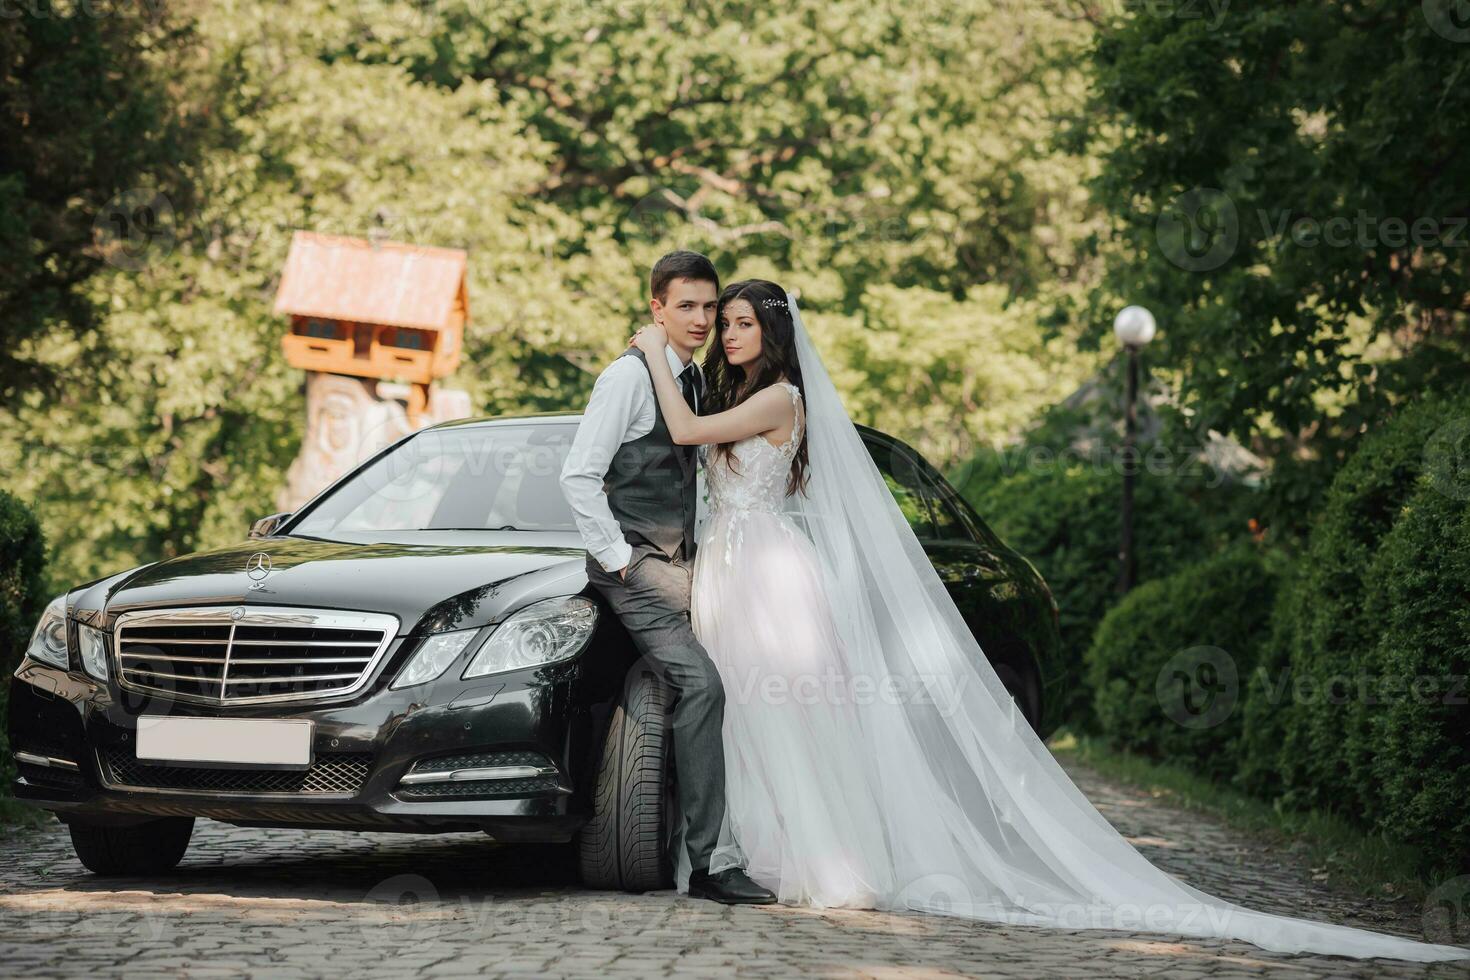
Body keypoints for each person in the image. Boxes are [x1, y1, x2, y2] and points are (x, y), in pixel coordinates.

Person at [627, 278, 1470, 961]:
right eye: (721, 323)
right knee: (745, 715)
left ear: (771, 336)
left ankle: (809, 858)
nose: (727, 334)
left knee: (782, 714)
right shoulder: (747, 390)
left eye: (739, 323)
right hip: (733, 571)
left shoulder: (778, 399)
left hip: (768, 575)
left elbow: (685, 427)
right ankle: (744, 852)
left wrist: (651, 351)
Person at [558, 251, 775, 905]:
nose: (703, 319)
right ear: (657, 308)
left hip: (681, 564)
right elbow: (578, 476)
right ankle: (710, 864)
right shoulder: (625, 379)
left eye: (711, 307)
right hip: (635, 568)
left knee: (755, 665)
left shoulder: (695, 381)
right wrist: (620, 559)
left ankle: (740, 836)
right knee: (704, 684)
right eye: (687, 306)